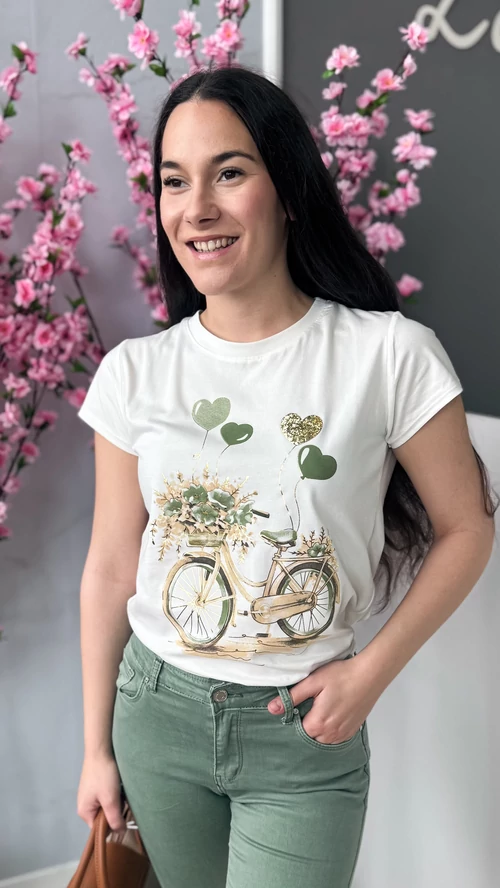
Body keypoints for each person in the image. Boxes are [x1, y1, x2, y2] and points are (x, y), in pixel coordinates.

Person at [75, 65, 497, 888]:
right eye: (174, 181)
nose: (197, 208)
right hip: (155, 716)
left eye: (229, 173)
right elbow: (111, 569)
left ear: (289, 190)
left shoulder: (387, 355)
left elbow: (467, 527)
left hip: (300, 733)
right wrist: (95, 747)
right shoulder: (134, 373)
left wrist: (369, 674)